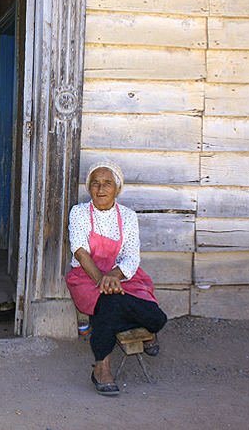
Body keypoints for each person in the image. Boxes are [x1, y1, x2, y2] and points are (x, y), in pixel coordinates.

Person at [66, 161, 167, 396]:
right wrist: (102, 281)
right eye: (95, 183)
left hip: (123, 275)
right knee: (109, 302)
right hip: (87, 276)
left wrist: (114, 276)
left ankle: (144, 326)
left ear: (117, 189)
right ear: (89, 188)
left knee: (156, 318)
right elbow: (80, 251)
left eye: (107, 183)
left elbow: (132, 255)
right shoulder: (79, 212)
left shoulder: (128, 216)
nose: (101, 188)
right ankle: (102, 366)